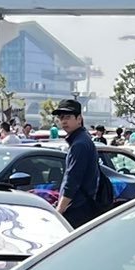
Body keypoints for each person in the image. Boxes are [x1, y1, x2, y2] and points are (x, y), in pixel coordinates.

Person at [52, 96, 110, 226]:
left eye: (68, 117)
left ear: (79, 119)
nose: (64, 121)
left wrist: (59, 210)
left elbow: (72, 180)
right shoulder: (82, 139)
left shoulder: (80, 144)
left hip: (78, 209)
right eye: (61, 117)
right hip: (81, 206)